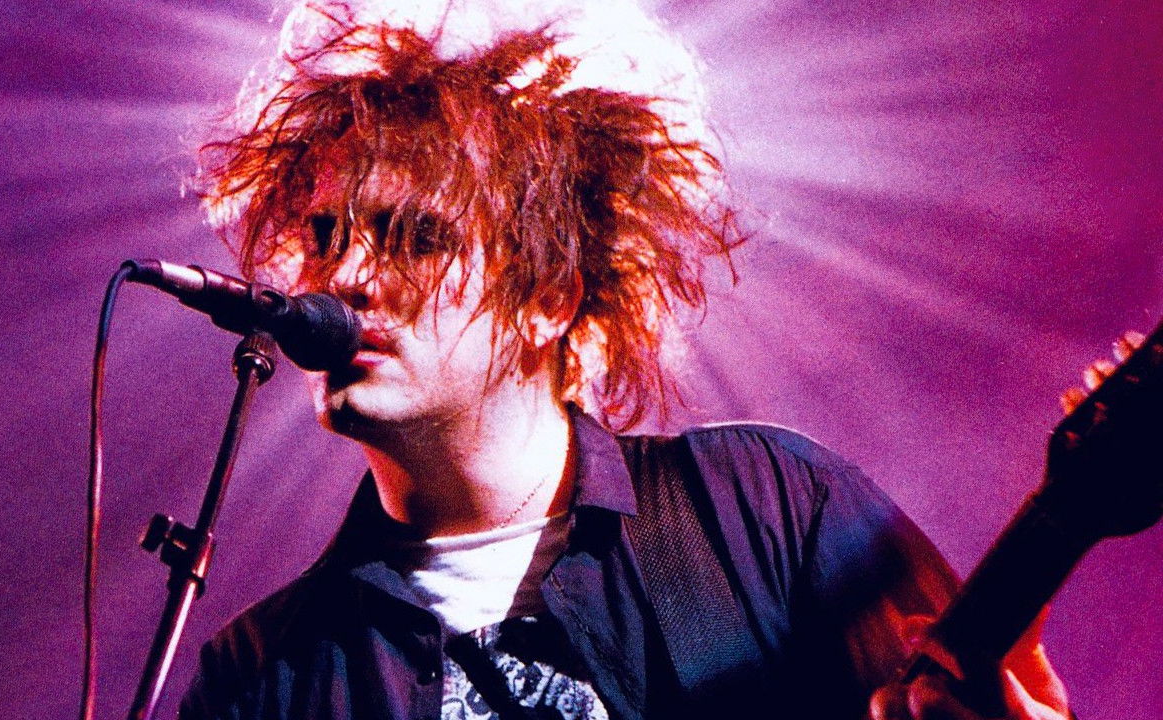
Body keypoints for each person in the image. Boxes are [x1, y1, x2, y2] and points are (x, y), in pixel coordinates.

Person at [181, 2, 1070, 718]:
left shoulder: (761, 511)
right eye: (325, 235)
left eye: (415, 236)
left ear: (548, 298)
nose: (345, 277)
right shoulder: (261, 677)